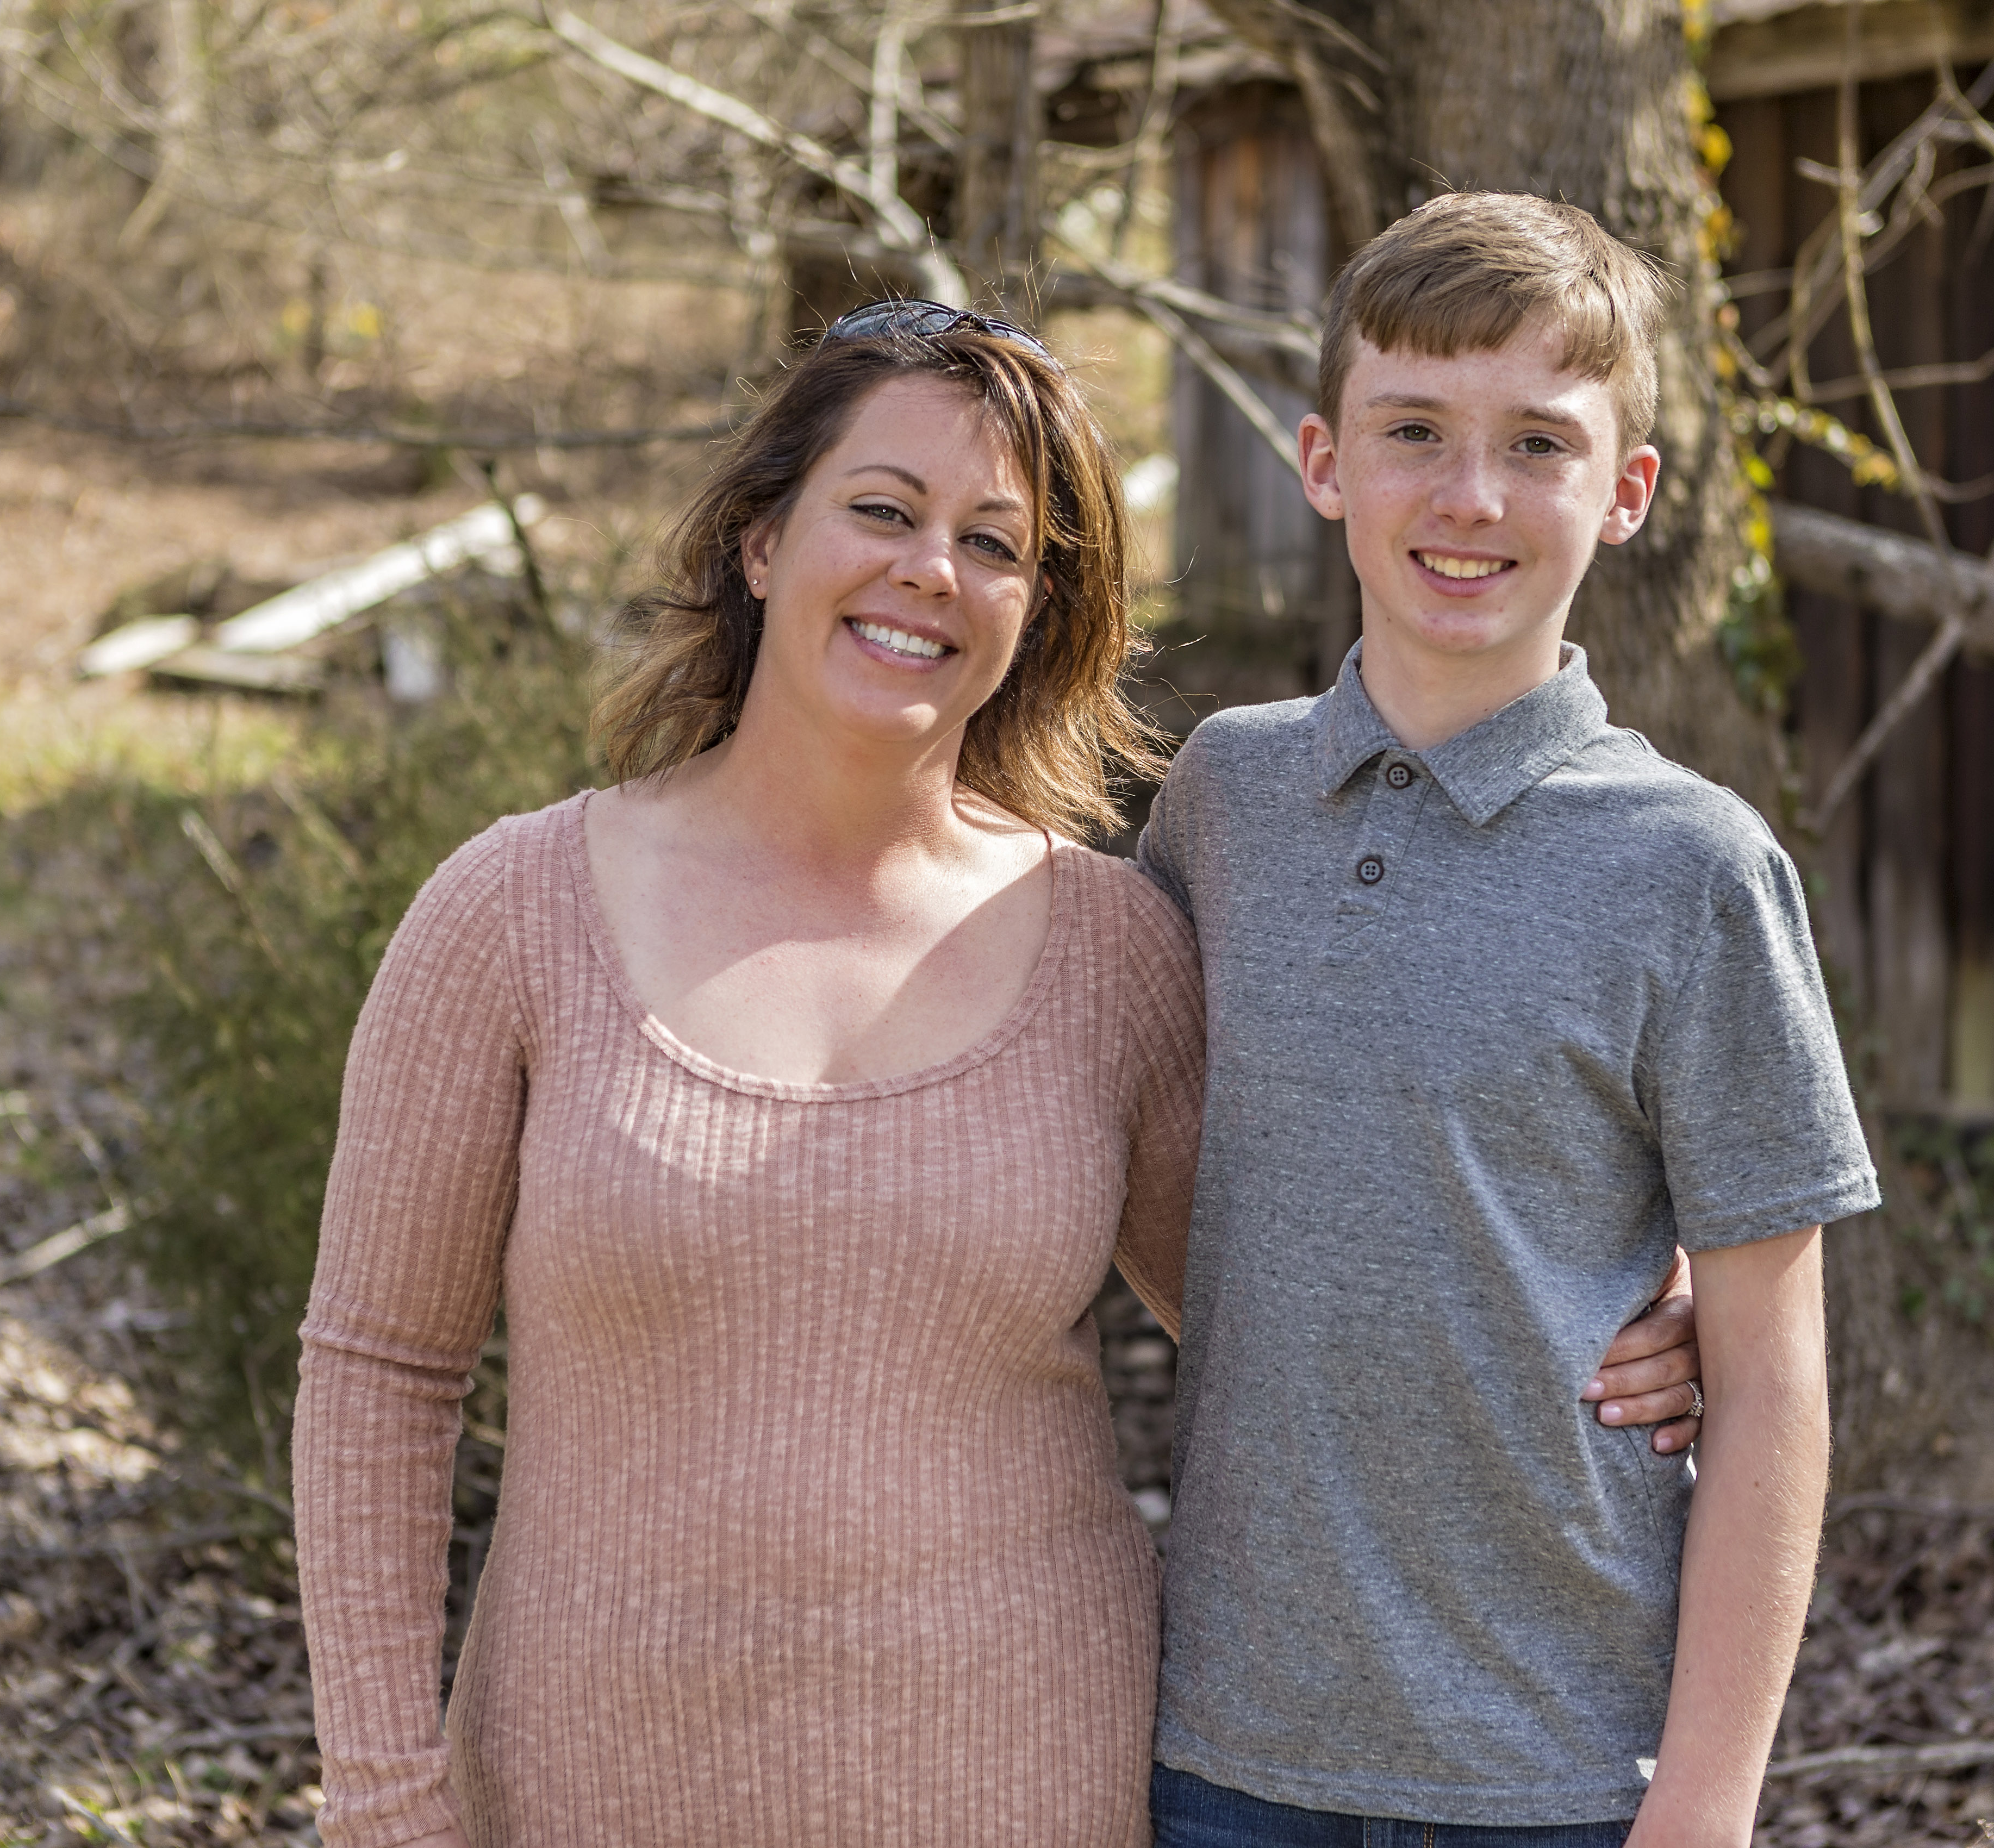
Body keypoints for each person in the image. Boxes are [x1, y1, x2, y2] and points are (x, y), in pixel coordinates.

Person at [290, 301, 1705, 1848]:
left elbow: (1303, 1306)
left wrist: (1624, 1307)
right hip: (584, 1791)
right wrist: (385, 1799)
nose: (930, 572)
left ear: (1036, 610)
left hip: (1030, 1785)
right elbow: (379, 1374)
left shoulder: (1110, 950)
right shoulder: (511, 914)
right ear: (761, 540)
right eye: (881, 510)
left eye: (992, 543)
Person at [1135, 193, 1879, 1848]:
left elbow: (1773, 1384)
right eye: (1413, 430)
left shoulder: (1692, 866)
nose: (1469, 497)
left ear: (1625, 494)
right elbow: (1146, 1168)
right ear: (1324, 462)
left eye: (1538, 444)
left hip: (1561, 1778)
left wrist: (1704, 1810)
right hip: (1222, 1758)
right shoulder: (1222, 802)